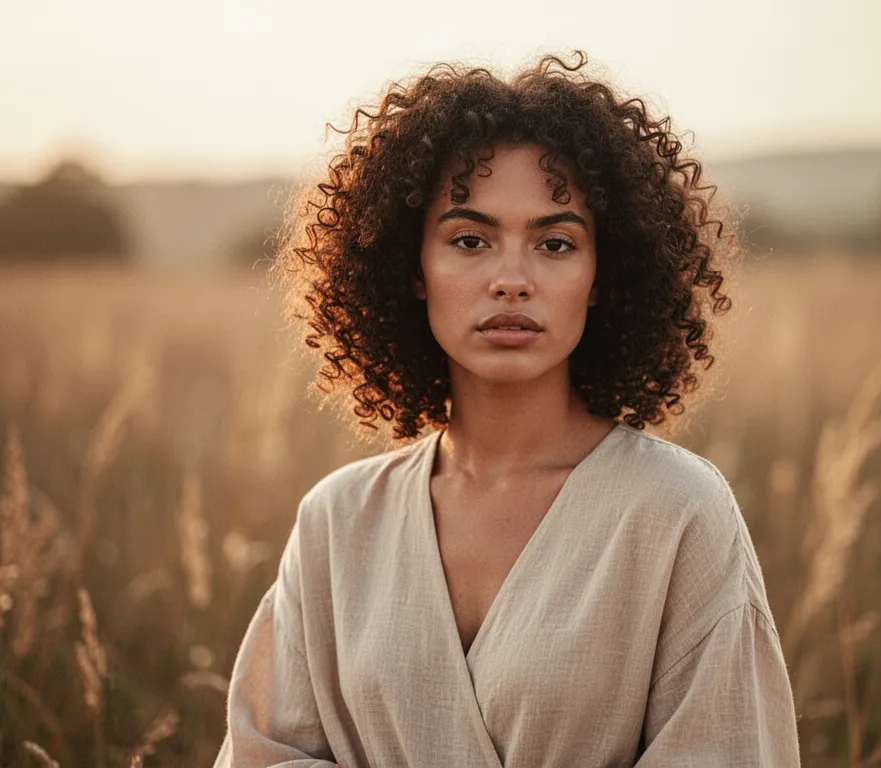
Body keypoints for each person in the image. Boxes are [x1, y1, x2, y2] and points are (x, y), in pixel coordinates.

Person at [214, 50, 801, 767]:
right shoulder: (337, 523)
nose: (512, 280)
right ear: (413, 267)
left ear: (601, 274)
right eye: (470, 240)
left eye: (555, 243)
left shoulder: (679, 513)